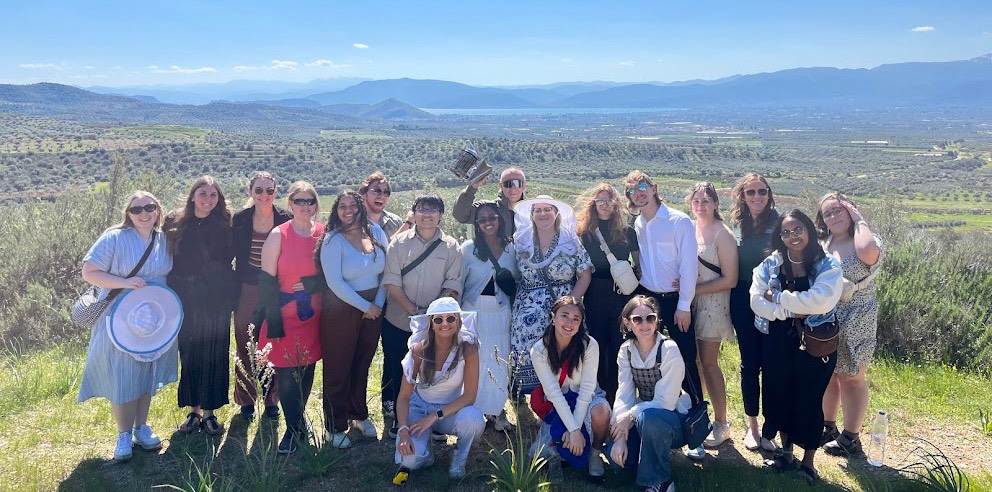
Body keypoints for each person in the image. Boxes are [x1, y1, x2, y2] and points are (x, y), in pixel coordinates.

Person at [78, 191, 177, 461]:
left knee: (146, 372)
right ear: (128, 213)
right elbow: (90, 272)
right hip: (119, 319)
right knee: (123, 375)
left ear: (157, 210)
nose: (144, 213)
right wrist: (124, 283)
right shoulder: (114, 238)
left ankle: (140, 428)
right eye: (137, 209)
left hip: (156, 320)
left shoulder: (164, 239)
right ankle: (123, 435)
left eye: (149, 207)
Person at [750, 209, 843, 485]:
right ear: (780, 237)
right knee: (780, 394)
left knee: (809, 398)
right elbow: (756, 302)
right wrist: (790, 311)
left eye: (798, 229)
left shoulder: (827, 264)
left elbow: (821, 302)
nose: (793, 236)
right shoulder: (770, 264)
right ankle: (786, 453)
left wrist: (777, 297)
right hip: (778, 340)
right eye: (786, 232)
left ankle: (809, 462)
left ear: (810, 230)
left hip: (815, 342)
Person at [625, 170, 706, 460]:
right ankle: (656, 418)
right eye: (633, 190)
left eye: (643, 186)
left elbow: (688, 266)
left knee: (686, 360)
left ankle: (696, 430)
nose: (639, 193)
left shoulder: (678, 220)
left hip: (675, 303)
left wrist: (684, 304)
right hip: (649, 300)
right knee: (650, 360)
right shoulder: (637, 224)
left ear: (654, 187)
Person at [382, 194, 463, 438]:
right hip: (398, 319)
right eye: (422, 209)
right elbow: (391, 280)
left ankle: (433, 420)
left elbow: (452, 283)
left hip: (436, 325)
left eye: (433, 210)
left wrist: (433, 314)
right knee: (399, 368)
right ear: (414, 213)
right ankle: (400, 420)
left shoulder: (451, 247)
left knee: (432, 371)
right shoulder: (398, 244)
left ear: (441, 215)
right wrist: (411, 309)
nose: (427, 215)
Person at [256, 181, 325, 454]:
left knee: (307, 370)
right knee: (286, 375)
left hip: (314, 315)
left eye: (310, 201)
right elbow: (266, 281)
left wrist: (314, 285)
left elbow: (331, 275)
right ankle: (294, 429)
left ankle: (297, 421)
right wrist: (273, 321)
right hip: (284, 314)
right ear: (290, 204)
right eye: (300, 201)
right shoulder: (278, 235)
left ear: (316, 204)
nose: (305, 206)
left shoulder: (324, 233)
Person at [316, 191, 388, 448]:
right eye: (342, 206)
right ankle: (334, 427)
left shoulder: (377, 233)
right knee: (338, 367)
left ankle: (358, 415)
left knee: (362, 363)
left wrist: (377, 304)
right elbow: (335, 282)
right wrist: (365, 306)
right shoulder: (332, 240)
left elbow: (386, 273)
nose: (347, 211)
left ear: (361, 208)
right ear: (336, 210)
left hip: (374, 308)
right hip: (341, 308)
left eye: (352, 206)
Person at [815, 192, 884, 456]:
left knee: (852, 377)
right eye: (827, 213)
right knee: (830, 374)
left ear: (850, 209)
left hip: (858, 318)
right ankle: (828, 427)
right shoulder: (826, 242)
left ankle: (851, 437)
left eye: (838, 210)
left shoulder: (865, 240)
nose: (833, 216)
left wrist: (858, 218)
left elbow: (868, 253)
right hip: (828, 318)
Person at [164, 176, 234, 436]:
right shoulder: (173, 222)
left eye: (213, 195)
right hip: (184, 295)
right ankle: (193, 410)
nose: (208, 199)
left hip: (215, 296)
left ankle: (210, 413)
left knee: (214, 353)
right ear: (193, 195)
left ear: (219, 198)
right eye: (203, 193)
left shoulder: (226, 223)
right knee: (190, 352)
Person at [393, 297, 485, 481]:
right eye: (438, 319)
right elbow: (404, 396)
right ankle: (426, 455)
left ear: (458, 321)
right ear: (431, 323)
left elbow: (469, 396)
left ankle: (459, 459)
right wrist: (403, 430)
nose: (445, 324)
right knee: (407, 460)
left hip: (450, 409)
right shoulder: (419, 350)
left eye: (450, 318)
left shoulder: (468, 348)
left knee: (474, 419)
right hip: (419, 408)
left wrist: (434, 416)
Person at [509, 195, 592, 394]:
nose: (543, 214)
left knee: (562, 354)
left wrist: (570, 306)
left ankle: (563, 401)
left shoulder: (571, 242)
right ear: (531, 215)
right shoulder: (521, 242)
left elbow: (584, 275)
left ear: (556, 213)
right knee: (530, 355)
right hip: (527, 313)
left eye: (548, 209)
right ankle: (534, 401)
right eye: (538, 210)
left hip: (563, 311)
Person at [610, 295, 691, 492]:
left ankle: (661, 482)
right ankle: (643, 459)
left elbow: (667, 401)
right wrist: (620, 436)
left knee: (651, 419)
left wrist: (630, 416)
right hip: (643, 415)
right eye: (637, 319)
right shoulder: (626, 351)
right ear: (627, 323)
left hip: (673, 419)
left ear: (657, 321)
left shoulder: (668, 349)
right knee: (619, 466)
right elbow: (624, 392)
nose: (645, 324)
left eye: (650, 318)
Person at [231, 171, 292, 422]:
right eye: (259, 190)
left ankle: (271, 399)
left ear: (275, 192)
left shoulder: (285, 218)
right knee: (245, 342)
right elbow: (230, 254)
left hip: (276, 289)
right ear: (250, 192)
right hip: (247, 287)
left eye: (269, 190)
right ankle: (246, 400)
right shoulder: (241, 219)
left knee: (272, 342)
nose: (264, 195)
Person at [530, 296, 612, 478]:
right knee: (545, 453)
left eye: (576, 319)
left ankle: (595, 453)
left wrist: (572, 429)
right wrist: (574, 430)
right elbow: (553, 393)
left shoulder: (589, 345)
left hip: (586, 398)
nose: (569, 323)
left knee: (601, 412)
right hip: (557, 401)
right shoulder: (539, 350)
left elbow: (587, 390)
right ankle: (562, 446)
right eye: (564, 316)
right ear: (553, 317)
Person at [728, 172, 779, 451]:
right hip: (742, 300)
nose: (757, 197)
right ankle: (752, 428)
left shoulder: (780, 222)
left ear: (769, 194)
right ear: (743, 196)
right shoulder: (737, 224)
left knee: (772, 364)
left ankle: (771, 428)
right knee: (749, 364)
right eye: (751, 192)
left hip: (772, 300)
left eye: (762, 191)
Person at [575, 183, 638, 403]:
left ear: (616, 204)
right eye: (599, 201)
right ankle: (600, 396)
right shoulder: (584, 233)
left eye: (609, 200)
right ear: (593, 204)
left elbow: (639, 266)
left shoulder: (627, 231)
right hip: (595, 295)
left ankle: (620, 396)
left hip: (622, 296)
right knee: (598, 345)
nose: (604, 205)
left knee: (620, 346)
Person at [686, 182, 738, 448]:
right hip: (692, 304)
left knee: (708, 363)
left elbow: (730, 279)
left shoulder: (723, 235)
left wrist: (693, 289)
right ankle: (700, 416)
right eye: (696, 200)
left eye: (706, 201)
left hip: (713, 305)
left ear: (716, 204)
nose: (701, 205)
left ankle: (721, 423)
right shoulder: (690, 228)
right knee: (695, 363)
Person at [459, 201, 518, 430]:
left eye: (492, 218)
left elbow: (519, 278)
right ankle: (473, 406)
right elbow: (460, 279)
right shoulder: (467, 249)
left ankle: (496, 410)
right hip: (474, 311)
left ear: (500, 220)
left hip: (501, 310)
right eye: (482, 219)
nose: (487, 223)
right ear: (476, 224)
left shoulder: (512, 249)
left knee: (499, 360)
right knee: (475, 359)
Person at [453, 166, 527, 235]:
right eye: (508, 184)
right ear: (501, 186)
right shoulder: (487, 209)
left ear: (524, 185)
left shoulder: (533, 211)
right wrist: (472, 188)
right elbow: (460, 215)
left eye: (518, 183)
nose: (513, 188)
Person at [359, 171, 406, 239]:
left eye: (386, 192)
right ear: (364, 193)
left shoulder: (396, 222)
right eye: (377, 191)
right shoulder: (354, 223)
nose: (382, 196)